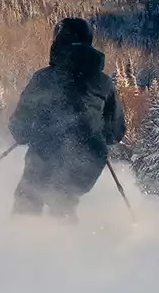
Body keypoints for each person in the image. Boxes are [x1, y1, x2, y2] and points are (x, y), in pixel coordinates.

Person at [8, 18, 125, 220]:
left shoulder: (43, 78)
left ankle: (21, 242)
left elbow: (20, 127)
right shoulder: (104, 83)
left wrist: (29, 131)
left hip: (46, 155)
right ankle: (68, 246)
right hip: (88, 160)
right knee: (63, 201)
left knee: (28, 196)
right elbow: (116, 132)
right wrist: (96, 133)